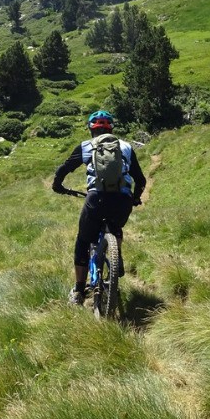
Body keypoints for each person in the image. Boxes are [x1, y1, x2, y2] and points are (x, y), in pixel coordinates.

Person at [52, 109, 146, 305]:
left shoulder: (86, 146)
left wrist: (57, 185)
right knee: (116, 226)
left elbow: (64, 168)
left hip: (96, 199)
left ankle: (78, 290)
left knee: (83, 241)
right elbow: (141, 179)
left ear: (90, 129)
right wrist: (135, 197)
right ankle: (116, 256)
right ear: (111, 128)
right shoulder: (126, 147)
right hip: (122, 200)